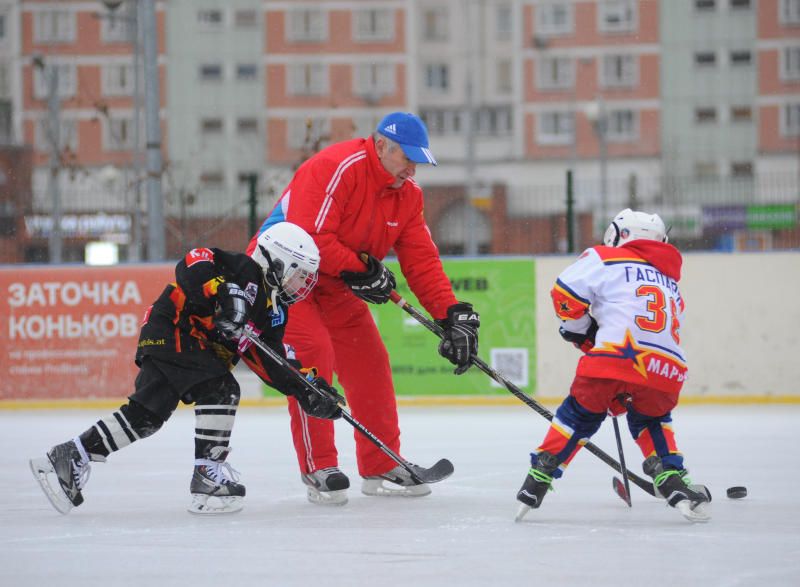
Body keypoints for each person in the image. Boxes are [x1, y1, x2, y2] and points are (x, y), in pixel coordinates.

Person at [246, 112, 480, 505]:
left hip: (335, 283)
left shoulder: (409, 196)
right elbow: (311, 237)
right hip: (282, 279)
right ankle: (319, 467)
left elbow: (421, 261)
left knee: (371, 360)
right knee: (312, 356)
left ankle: (381, 464)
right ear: (381, 145)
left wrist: (450, 314)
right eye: (407, 157)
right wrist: (362, 269)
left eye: (417, 161)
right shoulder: (335, 168)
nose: (412, 168)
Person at [30, 222, 343, 515]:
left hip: (182, 344)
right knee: (221, 388)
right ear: (277, 261)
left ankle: (71, 454)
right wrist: (221, 290)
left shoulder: (274, 311)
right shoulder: (242, 268)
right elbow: (194, 259)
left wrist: (305, 387)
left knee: (146, 417)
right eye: (300, 273)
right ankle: (207, 475)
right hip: (174, 331)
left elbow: (267, 358)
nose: (304, 283)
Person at [515, 209, 711, 523]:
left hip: (614, 361)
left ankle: (540, 475)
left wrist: (580, 330)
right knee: (652, 418)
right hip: (667, 370)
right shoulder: (670, 281)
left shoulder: (605, 257)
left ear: (618, 234)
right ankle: (672, 476)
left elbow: (564, 292)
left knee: (579, 415)